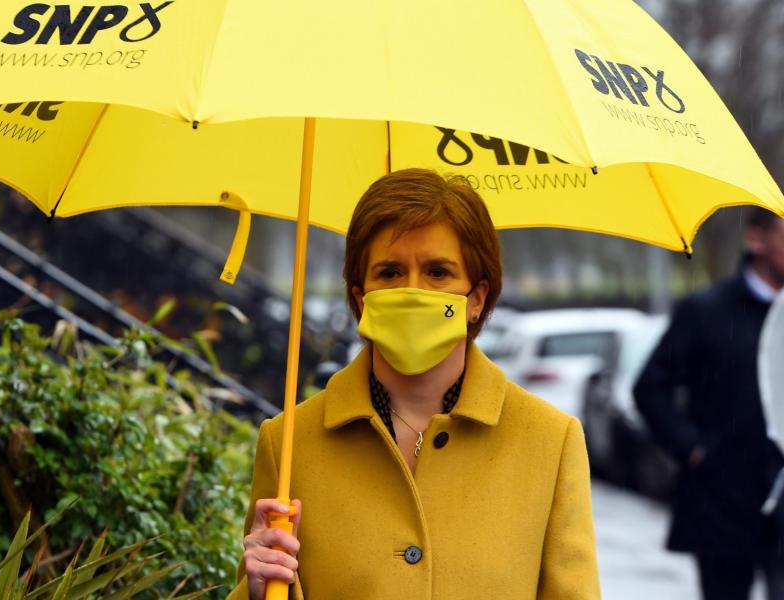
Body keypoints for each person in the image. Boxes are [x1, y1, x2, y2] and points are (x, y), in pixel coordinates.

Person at [227, 169, 600, 600]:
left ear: (477, 299)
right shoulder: (289, 442)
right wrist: (256, 591)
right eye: (389, 272)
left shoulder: (551, 442)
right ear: (360, 297)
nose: (412, 290)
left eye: (438, 272)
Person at [634, 207, 784, 600]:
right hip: (724, 505)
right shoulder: (707, 311)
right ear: (756, 238)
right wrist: (695, 449)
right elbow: (650, 388)